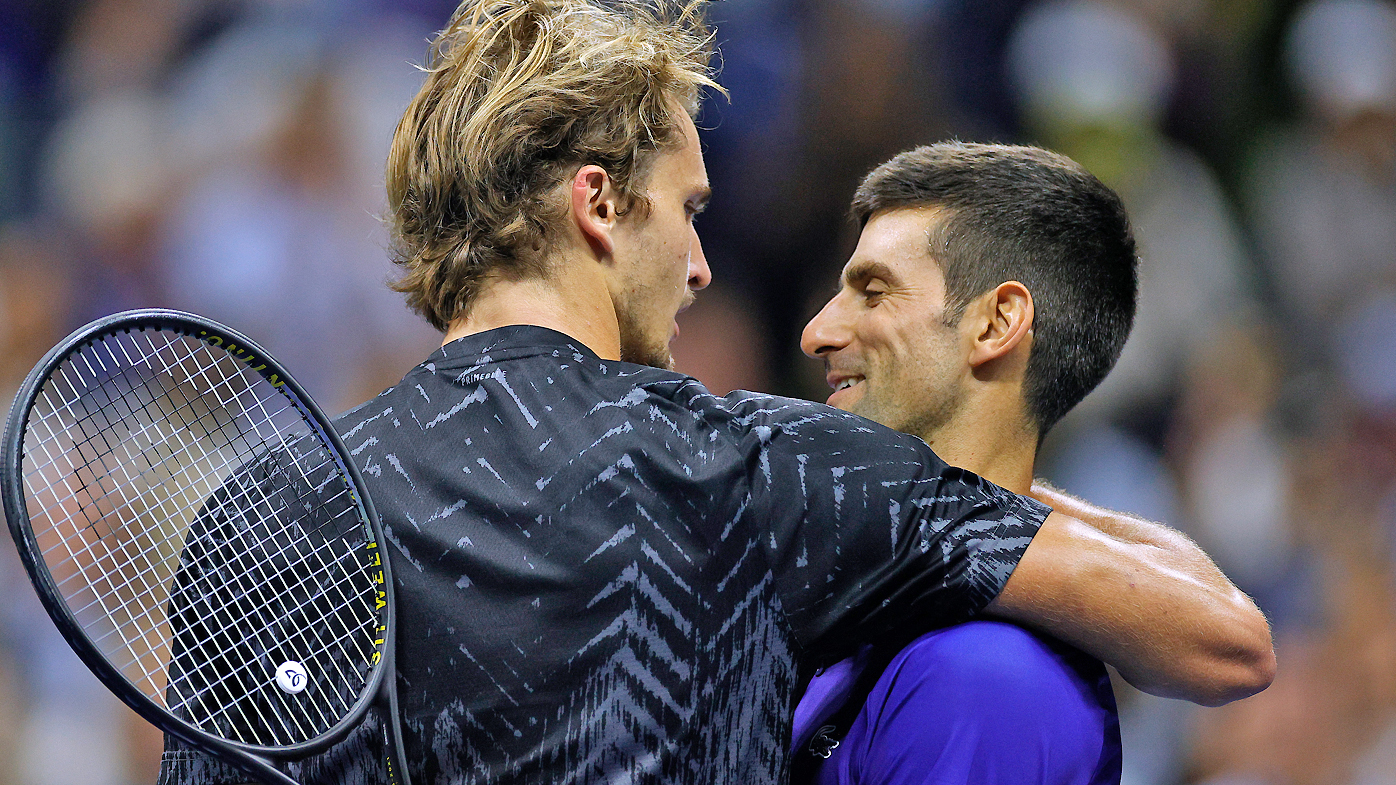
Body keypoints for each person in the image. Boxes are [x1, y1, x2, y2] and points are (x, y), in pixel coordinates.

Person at [159, 2, 1273, 784]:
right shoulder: (752, 463)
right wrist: (954, 496)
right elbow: (1221, 639)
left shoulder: (264, 505)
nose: (699, 264)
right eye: (686, 209)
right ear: (597, 205)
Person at [790, 142, 1152, 784]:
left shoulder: (983, 679)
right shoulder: (876, 617)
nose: (817, 332)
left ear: (995, 325)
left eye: (873, 293)